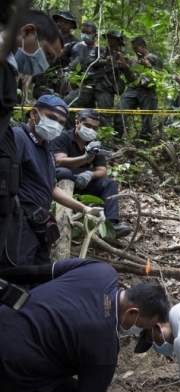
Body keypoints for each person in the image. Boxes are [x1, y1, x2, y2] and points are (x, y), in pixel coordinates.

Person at [0, 258, 170, 392]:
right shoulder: (104, 348)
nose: (137, 332)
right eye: (140, 327)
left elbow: (37, 271)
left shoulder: (100, 271)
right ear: (131, 312)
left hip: (5, 319)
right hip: (10, 367)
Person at [0, 96, 104, 271]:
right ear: (34, 113)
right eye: (52, 118)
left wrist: (84, 209)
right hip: (17, 225)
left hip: (38, 226)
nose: (56, 125)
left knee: (40, 279)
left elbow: (51, 188)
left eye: (62, 122)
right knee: (17, 279)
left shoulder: (47, 151)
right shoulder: (17, 138)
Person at [0, 9, 64, 262]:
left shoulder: (45, 148)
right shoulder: (20, 137)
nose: (45, 65)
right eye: (47, 55)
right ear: (27, 32)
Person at [51, 108, 132, 239]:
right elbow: (59, 161)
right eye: (88, 126)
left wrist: (90, 175)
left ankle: (112, 226)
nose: (91, 130)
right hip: (61, 182)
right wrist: (85, 158)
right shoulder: (62, 137)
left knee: (109, 183)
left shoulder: (95, 145)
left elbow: (102, 171)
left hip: (83, 183)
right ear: (77, 123)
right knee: (64, 172)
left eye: (95, 128)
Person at [64, 29, 129, 120]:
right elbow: (88, 61)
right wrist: (104, 61)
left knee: (105, 116)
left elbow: (131, 79)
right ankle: (72, 132)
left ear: (118, 41)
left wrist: (125, 66)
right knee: (67, 105)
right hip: (89, 85)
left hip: (105, 89)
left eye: (112, 38)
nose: (109, 40)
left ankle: (105, 133)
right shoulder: (98, 50)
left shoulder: (123, 58)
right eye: (108, 37)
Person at [112, 36, 164, 143]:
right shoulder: (133, 60)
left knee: (146, 117)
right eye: (133, 48)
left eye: (136, 48)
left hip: (148, 91)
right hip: (133, 89)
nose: (135, 51)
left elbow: (161, 76)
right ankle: (117, 138)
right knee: (120, 108)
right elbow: (131, 78)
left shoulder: (154, 59)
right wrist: (125, 66)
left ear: (143, 46)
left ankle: (145, 141)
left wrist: (149, 66)